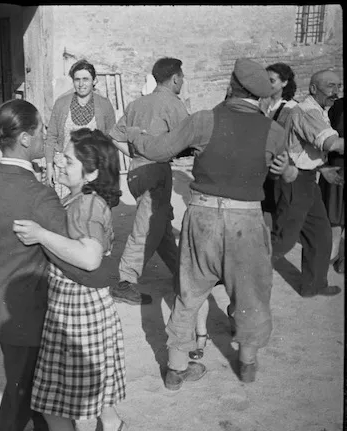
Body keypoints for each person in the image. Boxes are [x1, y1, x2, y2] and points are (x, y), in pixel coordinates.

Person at [0, 99, 119, 431]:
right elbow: (83, 260)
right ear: (24, 138)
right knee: (20, 396)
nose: (44, 140)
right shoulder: (39, 195)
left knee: (33, 383)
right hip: (31, 309)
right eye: (39, 132)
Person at [124, 58, 291, 385]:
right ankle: (247, 364)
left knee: (189, 291)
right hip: (247, 221)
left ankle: (176, 369)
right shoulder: (274, 131)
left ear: (230, 86)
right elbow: (287, 175)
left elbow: (158, 150)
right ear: (259, 96)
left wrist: (134, 133)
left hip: (202, 216)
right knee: (250, 292)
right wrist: (287, 169)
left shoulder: (202, 120)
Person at [12, 128, 127, 431]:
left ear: (92, 172)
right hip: (78, 303)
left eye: (70, 161)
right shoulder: (82, 196)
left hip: (78, 306)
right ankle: (113, 426)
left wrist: (42, 234)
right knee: (89, 381)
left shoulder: (89, 203)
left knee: (53, 402)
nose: (61, 163)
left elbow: (89, 258)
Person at [109, 57, 189, 306]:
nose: (182, 82)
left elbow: (114, 136)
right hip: (157, 172)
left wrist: (134, 155)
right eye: (182, 78)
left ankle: (184, 274)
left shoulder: (136, 104)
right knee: (145, 229)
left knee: (160, 226)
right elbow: (187, 140)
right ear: (175, 78)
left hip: (136, 171)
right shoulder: (174, 105)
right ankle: (126, 281)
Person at [271, 69, 344, 297]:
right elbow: (332, 144)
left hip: (308, 180)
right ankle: (237, 271)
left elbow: (303, 147)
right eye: (330, 86)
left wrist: (322, 167)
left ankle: (314, 286)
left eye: (338, 86)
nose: (336, 92)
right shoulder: (307, 111)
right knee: (283, 239)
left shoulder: (319, 110)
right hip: (294, 180)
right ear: (313, 88)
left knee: (320, 235)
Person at [42, 59, 117, 200]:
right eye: (77, 80)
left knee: (91, 212)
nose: (81, 84)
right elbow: (51, 136)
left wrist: (108, 171)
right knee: (65, 212)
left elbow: (110, 140)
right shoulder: (61, 103)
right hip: (65, 170)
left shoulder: (104, 105)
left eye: (85, 79)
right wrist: (49, 166)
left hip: (93, 173)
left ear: (94, 81)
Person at [259, 63, 299, 215]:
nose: (267, 84)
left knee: (279, 211)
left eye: (272, 80)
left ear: (284, 82)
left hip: (281, 166)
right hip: (263, 165)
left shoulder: (292, 108)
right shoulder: (263, 105)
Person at [320, 97, 344, 273]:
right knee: (334, 212)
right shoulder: (337, 106)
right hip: (338, 165)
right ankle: (334, 252)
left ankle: (337, 253)